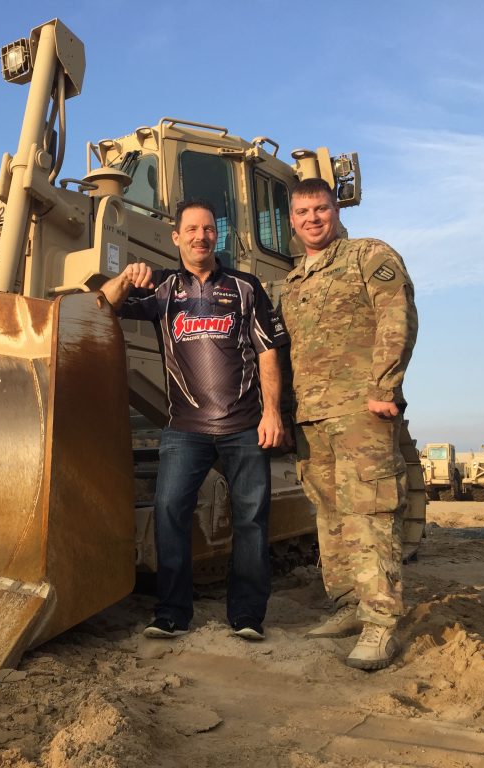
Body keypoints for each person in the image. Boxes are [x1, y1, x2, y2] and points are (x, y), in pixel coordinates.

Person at [101, 199, 287, 642]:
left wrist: (273, 412)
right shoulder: (163, 288)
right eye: (192, 229)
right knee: (169, 514)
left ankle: (247, 616)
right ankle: (172, 614)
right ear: (176, 237)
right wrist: (125, 277)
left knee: (252, 520)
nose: (201, 236)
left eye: (208, 229)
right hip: (185, 428)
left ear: (215, 236)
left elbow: (267, 352)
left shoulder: (245, 287)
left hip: (245, 426)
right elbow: (105, 304)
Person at [278, 177, 419, 671]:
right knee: (330, 514)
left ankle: (381, 622)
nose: (312, 219)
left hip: (362, 410)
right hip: (312, 416)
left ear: (335, 211)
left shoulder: (366, 255)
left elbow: (397, 317)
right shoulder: (293, 283)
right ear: (292, 220)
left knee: (371, 510)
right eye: (303, 212)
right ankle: (348, 605)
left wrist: (384, 387)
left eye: (320, 209)